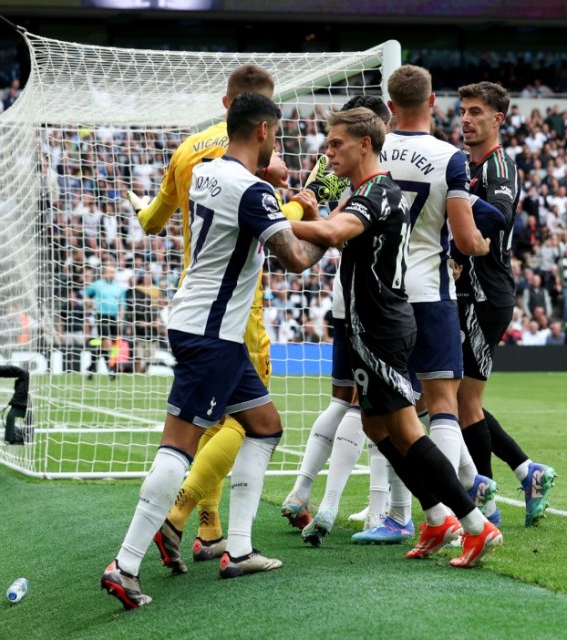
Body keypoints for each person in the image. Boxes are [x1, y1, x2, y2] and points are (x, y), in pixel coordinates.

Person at [101, 91, 330, 609]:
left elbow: (234, 210)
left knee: (266, 427)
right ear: (265, 133)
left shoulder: (206, 172)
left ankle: (239, 550)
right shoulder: (252, 192)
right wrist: (327, 235)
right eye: (278, 134)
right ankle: (125, 563)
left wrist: (272, 192)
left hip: (202, 326)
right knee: (178, 448)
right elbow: (294, 258)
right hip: (211, 335)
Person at [289, 106, 501, 567]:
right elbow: (334, 238)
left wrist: (270, 220)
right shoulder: (363, 192)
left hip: (382, 326)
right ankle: (437, 518)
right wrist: (310, 215)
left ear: (365, 144)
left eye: (336, 144)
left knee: (405, 428)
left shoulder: (377, 193)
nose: (328, 153)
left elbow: (331, 231)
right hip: (369, 324)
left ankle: (471, 524)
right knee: (373, 424)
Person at [280, 95, 398, 541]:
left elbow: (332, 228)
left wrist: (310, 220)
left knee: (344, 401)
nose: (331, 152)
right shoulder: (383, 167)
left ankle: (302, 491)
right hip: (386, 300)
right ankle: (376, 508)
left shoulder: (330, 172)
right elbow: (337, 229)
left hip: (346, 295)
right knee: (381, 407)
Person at [446, 81, 555, 530]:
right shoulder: (466, 164)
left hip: (486, 292)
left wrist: (455, 238)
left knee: (463, 402)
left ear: (498, 120)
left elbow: (499, 216)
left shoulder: (499, 165)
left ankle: (484, 508)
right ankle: (528, 472)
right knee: (453, 397)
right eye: (463, 111)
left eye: (475, 112)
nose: (466, 119)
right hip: (469, 292)